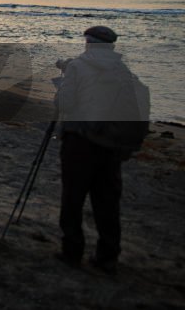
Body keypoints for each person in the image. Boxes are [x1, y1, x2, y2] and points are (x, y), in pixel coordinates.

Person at [54, 26, 150, 275]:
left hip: (80, 142)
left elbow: (65, 103)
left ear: (88, 43)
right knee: (107, 201)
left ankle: (72, 251)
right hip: (111, 143)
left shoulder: (78, 66)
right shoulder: (122, 70)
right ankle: (107, 256)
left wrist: (63, 84)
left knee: (73, 197)